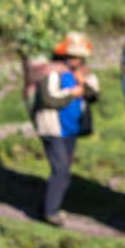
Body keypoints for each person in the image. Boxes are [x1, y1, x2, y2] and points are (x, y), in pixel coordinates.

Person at [33, 32, 100, 226]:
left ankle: (44, 208)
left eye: (79, 57)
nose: (76, 60)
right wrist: (71, 94)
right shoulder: (53, 72)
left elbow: (94, 95)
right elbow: (48, 98)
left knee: (62, 170)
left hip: (71, 129)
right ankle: (51, 212)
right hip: (52, 128)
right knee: (61, 171)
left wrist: (82, 82)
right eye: (73, 56)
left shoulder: (83, 74)